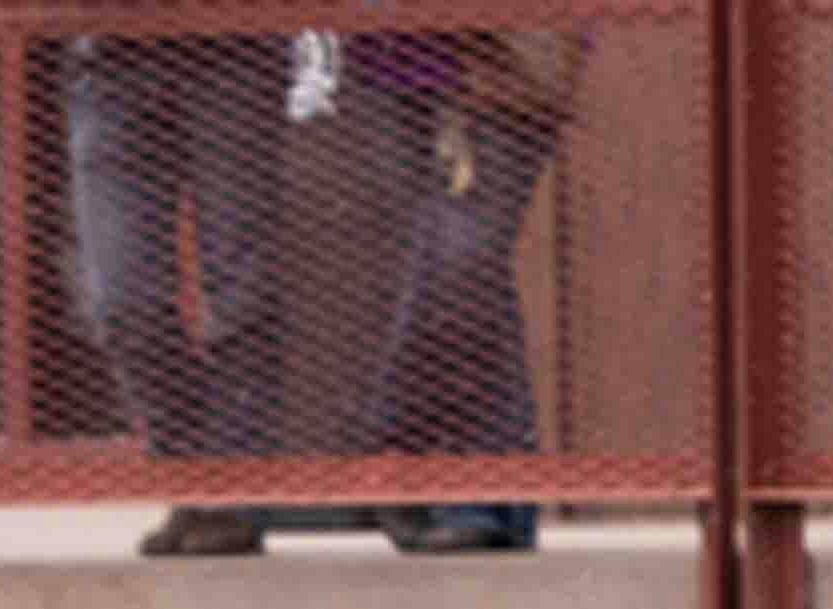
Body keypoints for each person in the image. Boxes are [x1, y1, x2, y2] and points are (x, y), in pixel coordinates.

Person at [337, 29, 578, 555]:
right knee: (455, 275)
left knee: (462, 260)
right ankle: (488, 499)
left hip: (504, 48)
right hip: (388, 54)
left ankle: (388, 437)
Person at [62, 34, 299, 559]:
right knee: (120, 299)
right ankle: (192, 477)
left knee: (242, 286)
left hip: (232, 46)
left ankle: (234, 491)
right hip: (107, 58)